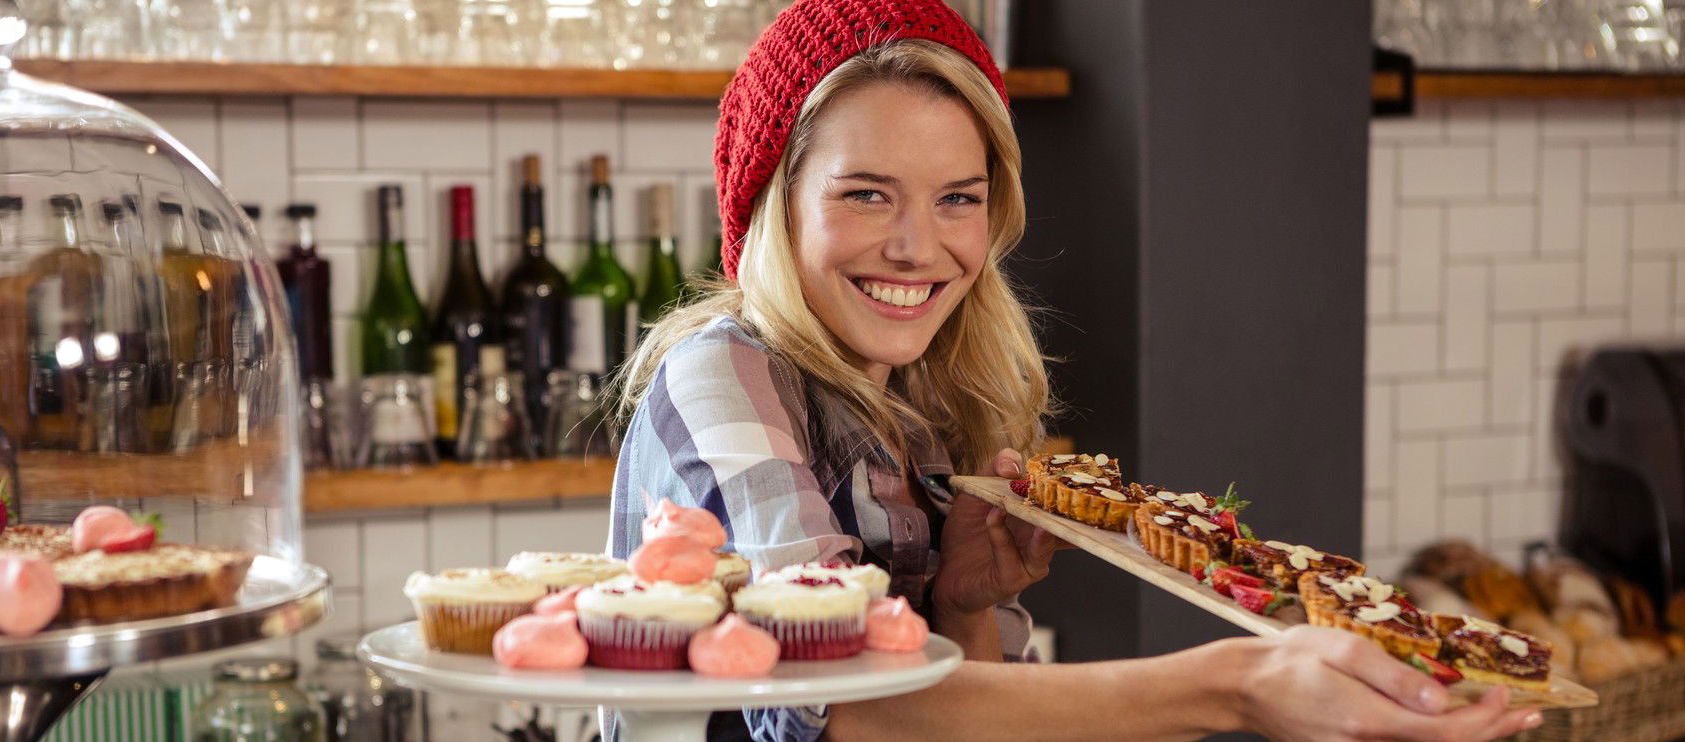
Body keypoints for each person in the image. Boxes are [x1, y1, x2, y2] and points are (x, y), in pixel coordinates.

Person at [606, 1, 1544, 739]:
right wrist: (1237, 683)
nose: (917, 247)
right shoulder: (722, 375)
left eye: (957, 200)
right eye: (866, 195)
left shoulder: (929, 400)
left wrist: (962, 608)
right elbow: (843, 710)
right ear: (774, 206)